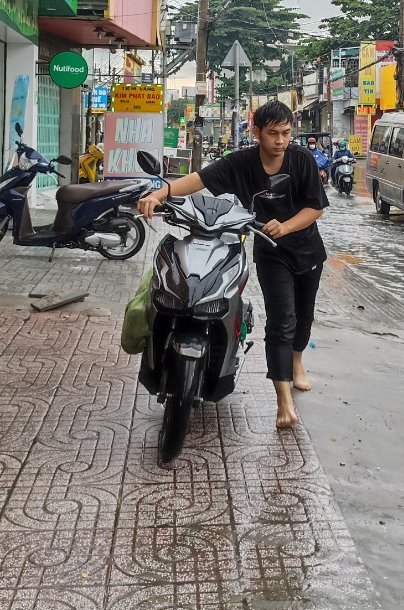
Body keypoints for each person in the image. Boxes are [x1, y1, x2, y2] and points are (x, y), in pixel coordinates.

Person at [139, 100, 328, 429]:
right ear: (257, 133)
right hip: (271, 254)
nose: (280, 141)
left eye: (286, 133)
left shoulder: (302, 160)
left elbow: (315, 208)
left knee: (303, 317)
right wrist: (161, 194)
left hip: (308, 251)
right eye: (273, 134)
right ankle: (283, 402)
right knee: (282, 322)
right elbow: (198, 179)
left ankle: (298, 360)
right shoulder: (241, 163)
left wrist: (285, 226)